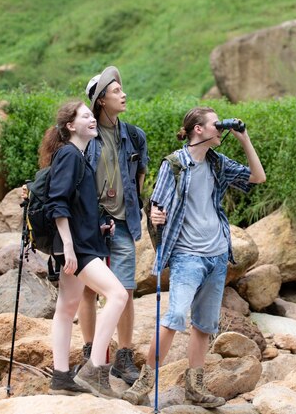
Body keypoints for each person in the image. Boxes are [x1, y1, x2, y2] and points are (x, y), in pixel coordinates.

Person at [122, 106, 266, 407]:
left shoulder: (217, 162)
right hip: (188, 257)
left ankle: (195, 387)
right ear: (198, 129)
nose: (221, 129)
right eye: (217, 124)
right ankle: (145, 382)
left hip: (216, 256)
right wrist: (157, 216)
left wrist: (244, 139)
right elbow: (155, 207)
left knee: (204, 325)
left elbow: (257, 177)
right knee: (174, 317)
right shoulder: (174, 164)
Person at [44, 100, 128, 398]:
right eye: (85, 116)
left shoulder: (77, 156)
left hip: (81, 242)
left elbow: (78, 207)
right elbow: (58, 202)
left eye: (92, 115)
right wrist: (67, 245)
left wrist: (99, 227)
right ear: (71, 125)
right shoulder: (70, 155)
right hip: (77, 248)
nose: (92, 119)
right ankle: (94, 370)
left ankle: (61, 376)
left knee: (66, 310)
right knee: (117, 295)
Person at [78, 66, 149, 385]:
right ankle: (90, 354)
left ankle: (123, 357)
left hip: (122, 223)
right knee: (89, 292)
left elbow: (140, 177)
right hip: (91, 225)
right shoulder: (86, 138)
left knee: (126, 291)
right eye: (116, 91)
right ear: (101, 100)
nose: (124, 94)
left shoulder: (134, 136)